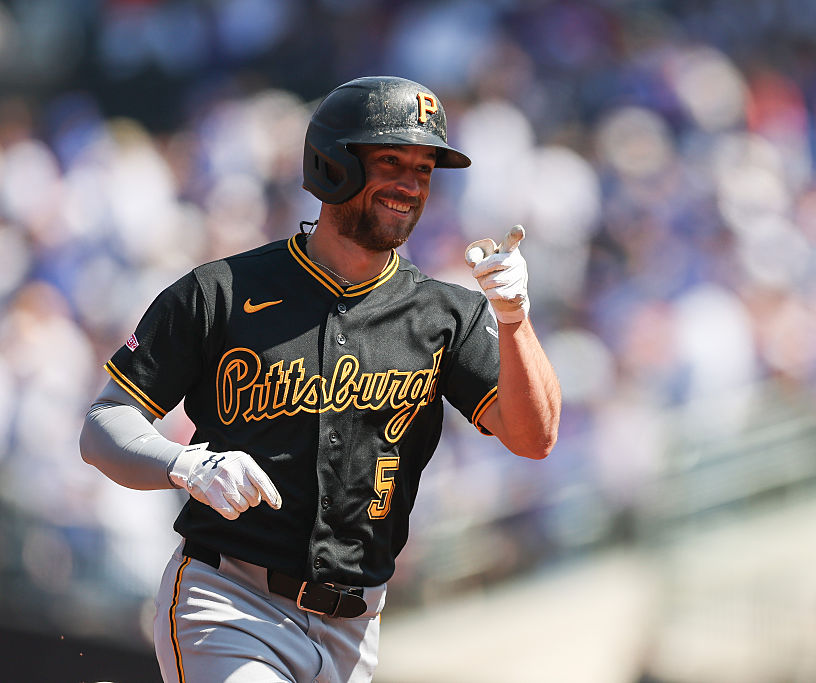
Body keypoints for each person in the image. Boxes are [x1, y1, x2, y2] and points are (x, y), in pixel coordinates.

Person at [79, 75, 561, 683]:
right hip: (229, 598)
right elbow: (103, 424)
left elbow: (534, 436)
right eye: (390, 160)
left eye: (424, 168)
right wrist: (187, 466)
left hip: (357, 628)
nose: (410, 185)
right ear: (333, 163)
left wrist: (515, 320)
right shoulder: (222, 292)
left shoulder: (447, 314)